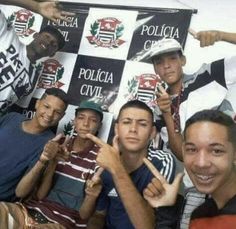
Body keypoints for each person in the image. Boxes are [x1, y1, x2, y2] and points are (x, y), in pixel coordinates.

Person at [150, 30, 236, 227]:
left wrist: (221, 35)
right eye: (159, 62)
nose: (166, 66)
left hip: (230, 179)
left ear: (184, 60)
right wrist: (165, 112)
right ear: (155, 69)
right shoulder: (158, 108)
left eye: (172, 58)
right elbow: (181, 153)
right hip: (196, 187)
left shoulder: (208, 74)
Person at [0, 100, 104, 228]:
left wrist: (91, 196)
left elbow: (84, 215)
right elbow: (40, 196)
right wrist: (53, 162)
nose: (86, 124)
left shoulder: (100, 158)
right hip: (28, 212)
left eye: (93, 120)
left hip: (61, 222)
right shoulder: (57, 145)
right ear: (74, 121)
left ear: (99, 125)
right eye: (81, 118)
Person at [86, 100, 175, 229]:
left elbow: (147, 226)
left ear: (152, 132)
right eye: (127, 122)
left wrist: (116, 168)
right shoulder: (105, 164)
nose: (133, 129)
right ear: (116, 129)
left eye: (142, 124)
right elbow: (99, 215)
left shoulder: (163, 161)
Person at [143, 109, 236, 229]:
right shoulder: (200, 215)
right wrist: (165, 211)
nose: (201, 163)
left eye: (216, 151)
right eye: (192, 150)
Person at [0, 0, 71, 114]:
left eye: (54, 44)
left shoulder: (33, 78)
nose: (48, 42)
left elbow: (16, 109)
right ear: (35, 35)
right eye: (47, 37)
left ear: (52, 54)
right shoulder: (8, 36)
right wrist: (36, 6)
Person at [0, 87, 68, 202]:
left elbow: (20, 192)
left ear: (62, 116)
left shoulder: (50, 144)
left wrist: (43, 160)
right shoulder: (12, 118)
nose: (50, 114)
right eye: (46, 107)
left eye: (57, 112)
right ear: (37, 104)